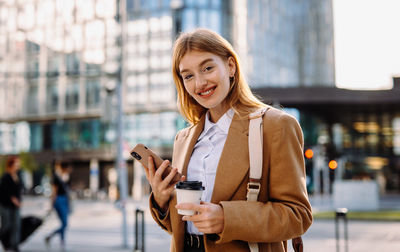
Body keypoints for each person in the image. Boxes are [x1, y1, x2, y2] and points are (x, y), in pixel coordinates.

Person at [145, 28, 313, 252]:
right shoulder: (183, 139)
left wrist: (227, 218)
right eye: (188, 76)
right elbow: (182, 227)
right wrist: (161, 200)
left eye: (207, 68)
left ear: (230, 66)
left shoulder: (276, 126)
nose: (200, 83)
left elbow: (298, 215)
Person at [45, 161, 72, 250]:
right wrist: (51, 205)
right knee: (64, 224)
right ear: (64, 168)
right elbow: (54, 192)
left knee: (64, 224)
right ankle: (52, 237)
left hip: (65, 200)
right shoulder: (56, 177)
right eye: (68, 168)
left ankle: (60, 241)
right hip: (59, 200)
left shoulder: (66, 177)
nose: (70, 169)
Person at [0, 156, 23, 252]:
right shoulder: (5, 176)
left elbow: (19, 190)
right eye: (17, 163)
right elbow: (4, 191)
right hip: (5, 205)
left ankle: (15, 245)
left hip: (16, 206)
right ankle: (5, 243)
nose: (19, 165)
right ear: (11, 164)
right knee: (6, 225)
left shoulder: (17, 175)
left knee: (16, 225)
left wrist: (19, 201)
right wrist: (14, 199)